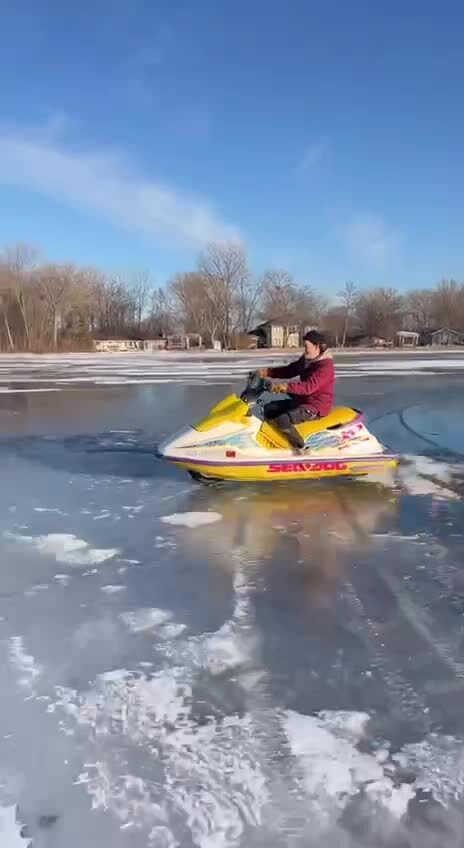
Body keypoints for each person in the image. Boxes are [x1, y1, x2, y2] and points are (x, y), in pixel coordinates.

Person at [258, 329, 335, 450]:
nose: (304, 350)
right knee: (269, 408)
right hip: (302, 401)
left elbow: (308, 387)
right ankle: (272, 440)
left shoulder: (325, 366)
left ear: (317, 347)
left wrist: (285, 387)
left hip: (315, 406)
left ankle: (300, 447)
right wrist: (267, 372)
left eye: (306, 347)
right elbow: (289, 371)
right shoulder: (308, 360)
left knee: (282, 418)